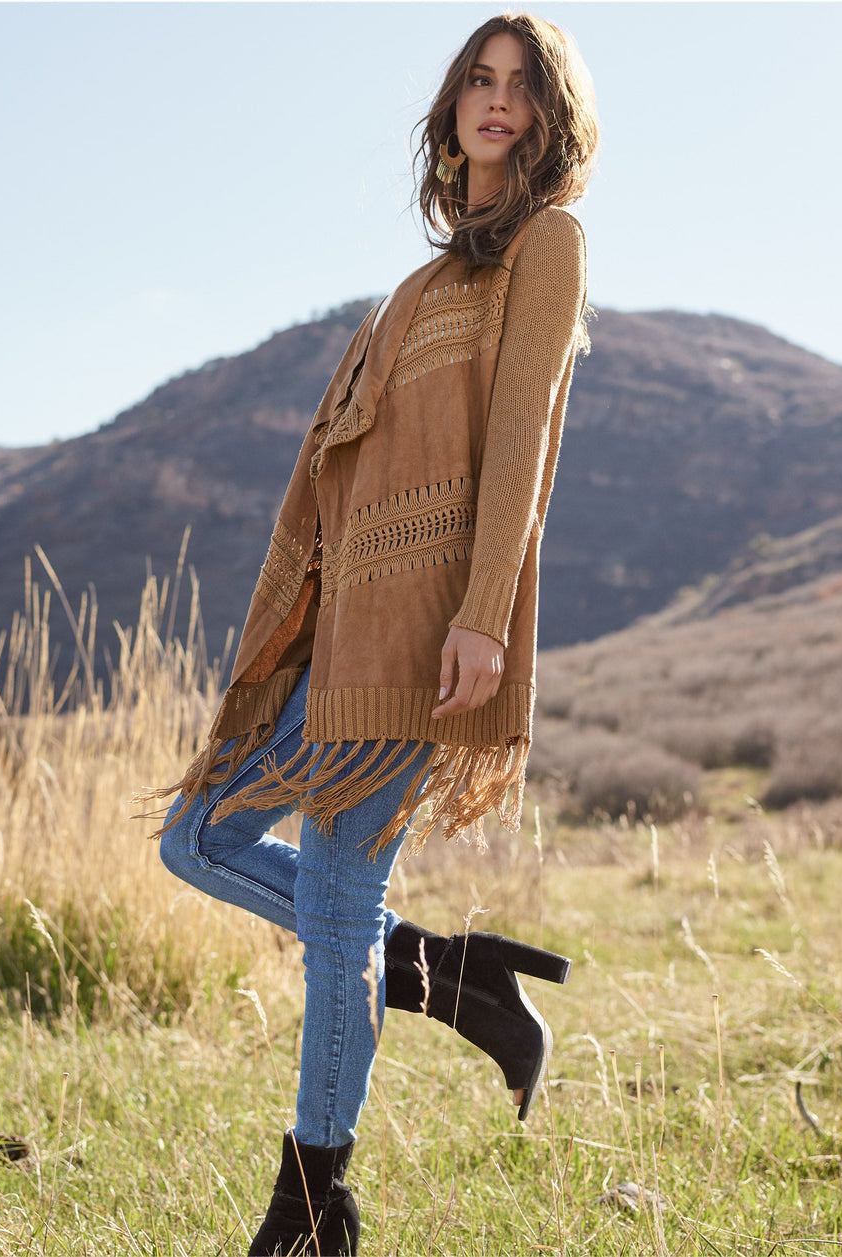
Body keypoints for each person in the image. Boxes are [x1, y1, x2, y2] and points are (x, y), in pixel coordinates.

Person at [154, 13, 598, 1255]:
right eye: (479, 80)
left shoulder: (550, 245)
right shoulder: (423, 285)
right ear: (453, 107)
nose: (497, 100)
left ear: (551, 115)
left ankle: (312, 1205)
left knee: (339, 904)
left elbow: (519, 443)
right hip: (349, 629)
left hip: (428, 633)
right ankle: (444, 974)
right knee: (198, 836)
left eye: (522, 85)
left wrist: (482, 618)